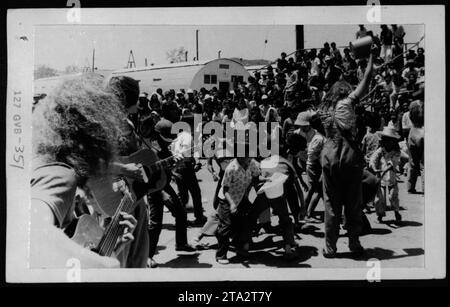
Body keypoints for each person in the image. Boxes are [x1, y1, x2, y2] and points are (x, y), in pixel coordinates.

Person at [31, 74, 138, 268]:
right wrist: (105, 266)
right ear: (93, 134)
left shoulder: (40, 163)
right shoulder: (59, 174)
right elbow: (33, 233)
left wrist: (109, 250)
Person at [318, 44, 376, 258]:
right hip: (349, 154)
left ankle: (330, 248)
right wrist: (370, 59)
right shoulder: (348, 102)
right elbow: (366, 80)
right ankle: (354, 243)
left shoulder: (323, 107)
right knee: (353, 202)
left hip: (329, 153)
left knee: (331, 204)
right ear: (346, 91)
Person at [215, 154, 263, 264]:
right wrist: (232, 204)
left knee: (245, 222)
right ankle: (221, 255)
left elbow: (256, 178)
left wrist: (266, 179)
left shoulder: (252, 163)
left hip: (241, 197)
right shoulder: (231, 168)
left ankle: (240, 249)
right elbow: (225, 190)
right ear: (240, 156)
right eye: (247, 155)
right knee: (226, 226)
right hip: (227, 199)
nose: (250, 157)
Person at [369, 126, 402, 223]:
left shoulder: (396, 152)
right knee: (379, 198)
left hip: (391, 177)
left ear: (394, 141)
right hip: (381, 178)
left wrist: (384, 170)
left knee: (393, 196)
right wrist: (374, 168)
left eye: (390, 141)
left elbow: (394, 163)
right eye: (386, 140)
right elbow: (373, 158)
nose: (388, 143)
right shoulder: (381, 150)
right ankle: (380, 215)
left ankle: (396, 211)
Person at [407, 100, 424, 194]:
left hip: (413, 131)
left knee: (413, 162)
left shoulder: (412, 106)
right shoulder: (423, 106)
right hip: (423, 131)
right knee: (423, 163)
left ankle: (410, 187)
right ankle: (425, 187)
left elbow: (410, 117)